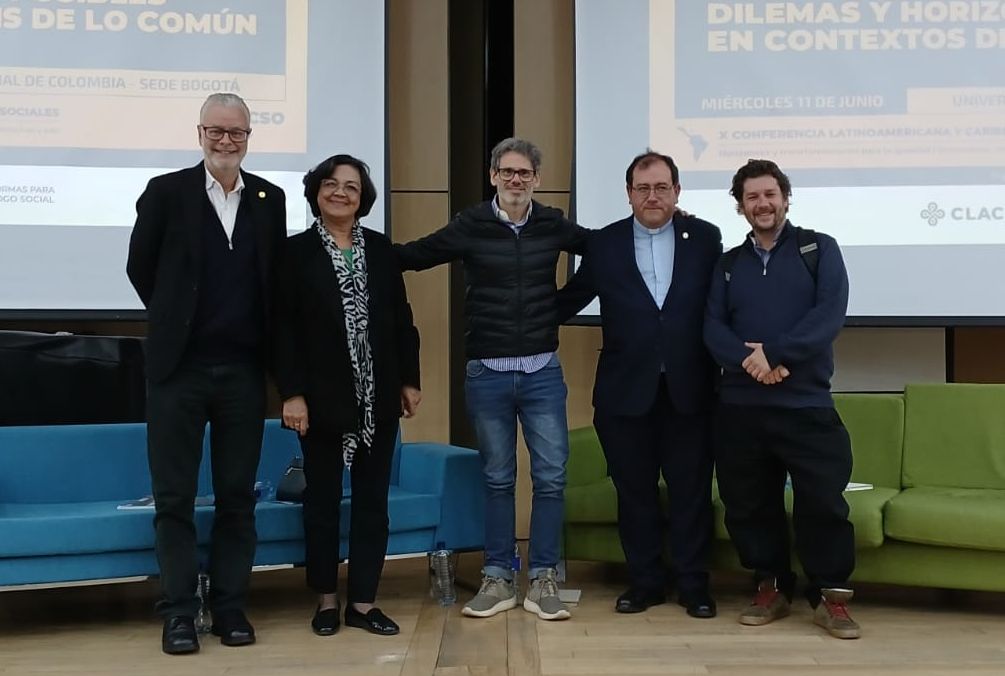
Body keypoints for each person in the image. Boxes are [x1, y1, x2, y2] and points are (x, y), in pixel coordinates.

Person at [395, 137, 588, 621]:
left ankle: (542, 577)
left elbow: (604, 249)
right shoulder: (471, 225)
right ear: (493, 176)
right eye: (507, 172)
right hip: (488, 374)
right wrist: (358, 243)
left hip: (543, 371)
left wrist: (558, 309)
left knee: (550, 478)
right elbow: (417, 255)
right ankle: (498, 576)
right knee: (498, 478)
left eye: (524, 172)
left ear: (537, 180)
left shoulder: (551, 224)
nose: (516, 180)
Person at [126, 92, 287, 654]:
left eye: (236, 133)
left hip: (243, 372)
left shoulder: (272, 198)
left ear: (249, 136)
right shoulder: (166, 192)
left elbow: (270, 281)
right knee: (173, 498)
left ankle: (230, 609)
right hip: (178, 370)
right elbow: (139, 267)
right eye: (216, 131)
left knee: (237, 496)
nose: (226, 142)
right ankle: (177, 613)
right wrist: (178, 316)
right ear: (200, 133)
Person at [556, 151, 721, 618]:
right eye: (643, 188)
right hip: (624, 394)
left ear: (677, 192)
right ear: (628, 193)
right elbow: (570, 299)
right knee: (635, 494)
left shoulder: (705, 238)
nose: (653, 196)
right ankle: (645, 582)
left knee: (691, 493)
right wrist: (512, 325)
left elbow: (725, 302)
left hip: (692, 390)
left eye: (662, 187)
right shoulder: (605, 243)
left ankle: (694, 585)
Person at [703, 159, 859, 639]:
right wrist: (752, 362)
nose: (762, 204)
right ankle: (770, 586)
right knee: (749, 504)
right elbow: (711, 327)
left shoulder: (819, 249)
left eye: (770, 194)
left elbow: (829, 315)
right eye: (752, 197)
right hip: (741, 409)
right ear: (740, 206)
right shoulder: (728, 264)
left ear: (785, 198)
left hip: (806, 405)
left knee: (823, 503)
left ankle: (830, 595)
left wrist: (773, 353)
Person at [275, 154, 421, 637]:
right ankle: (325, 599)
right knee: (322, 503)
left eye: (352, 186)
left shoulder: (380, 250)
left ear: (364, 197)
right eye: (332, 184)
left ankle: (362, 602)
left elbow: (402, 319)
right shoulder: (294, 253)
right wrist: (292, 394)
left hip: (377, 400)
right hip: (320, 401)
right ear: (317, 190)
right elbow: (284, 332)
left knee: (372, 504)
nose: (341, 192)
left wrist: (409, 379)